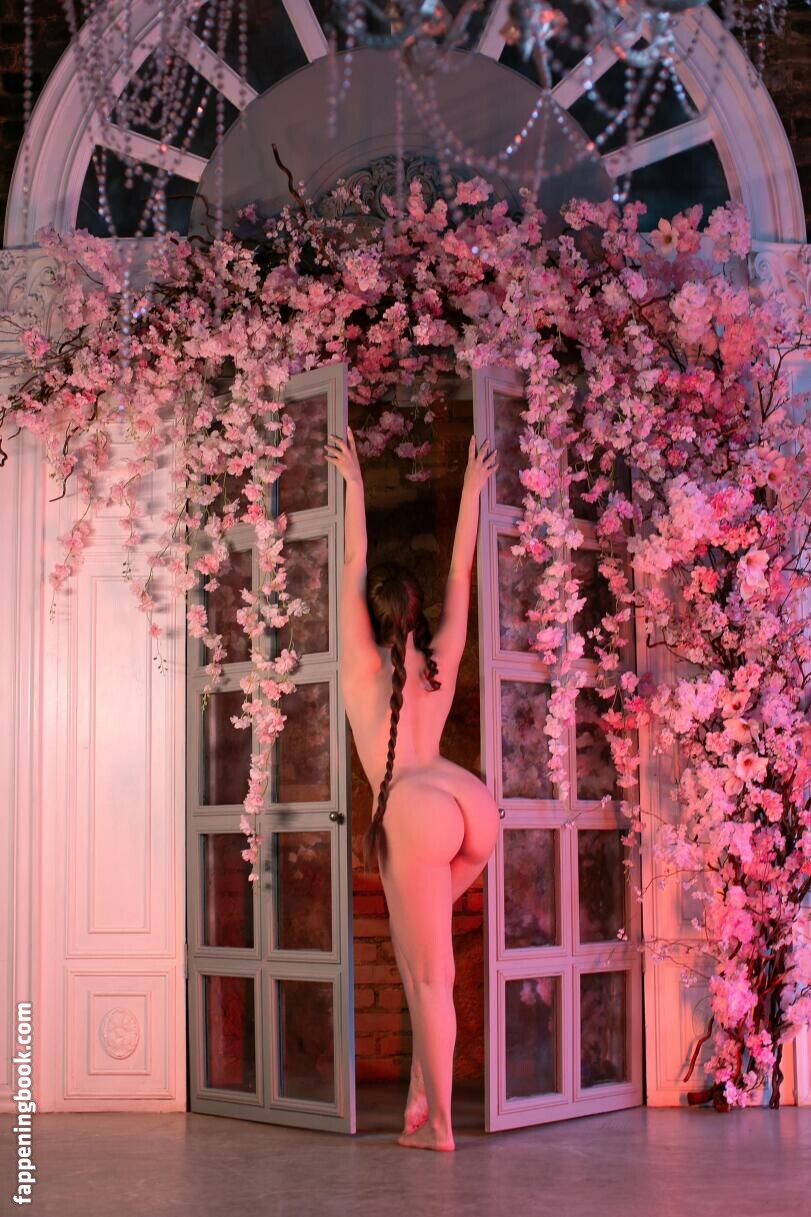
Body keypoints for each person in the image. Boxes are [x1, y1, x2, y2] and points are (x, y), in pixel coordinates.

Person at [323, 423, 501, 1153]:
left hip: (415, 814)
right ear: (418, 614)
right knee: (417, 954)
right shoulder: (440, 661)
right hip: (470, 805)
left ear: (372, 617)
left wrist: (353, 485)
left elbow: (353, 560)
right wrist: (473, 491)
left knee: (430, 978)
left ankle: (442, 1131)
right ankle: (421, 1094)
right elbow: (461, 575)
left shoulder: (360, 666)